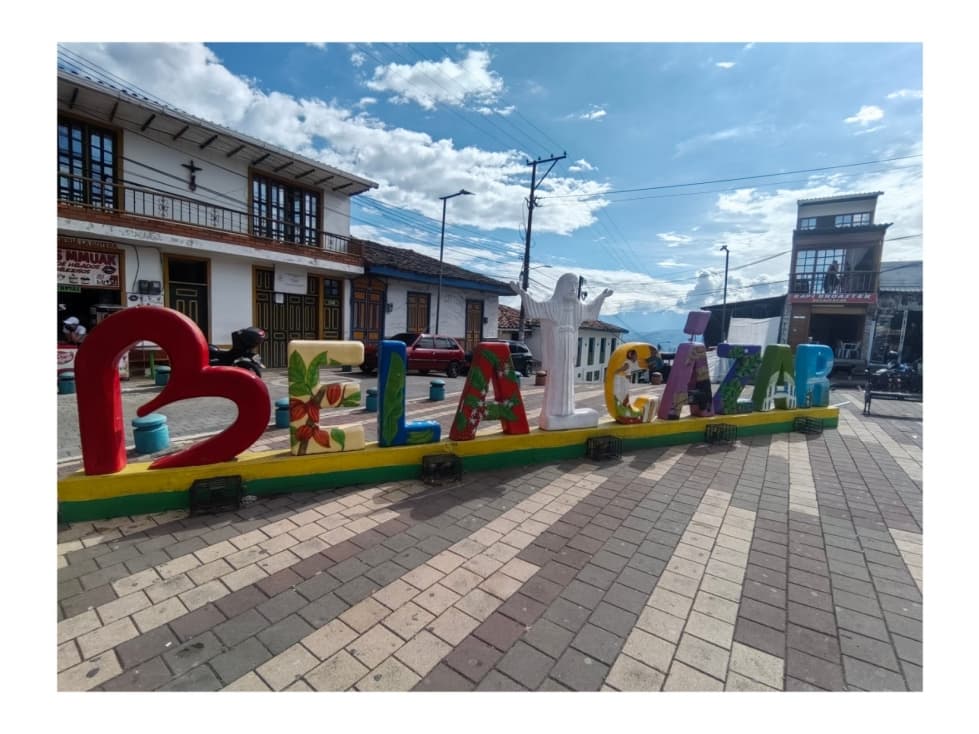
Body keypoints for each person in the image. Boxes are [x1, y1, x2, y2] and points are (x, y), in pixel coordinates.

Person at [510, 273, 612, 430]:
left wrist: (601, 297)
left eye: (575, 285)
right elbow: (535, 308)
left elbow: (590, 310)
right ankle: (555, 411)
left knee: (568, 375)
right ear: (562, 287)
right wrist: (522, 293)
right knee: (557, 374)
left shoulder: (576, 306)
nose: (573, 288)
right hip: (557, 344)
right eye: (570, 285)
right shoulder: (552, 305)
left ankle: (567, 411)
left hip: (570, 343)